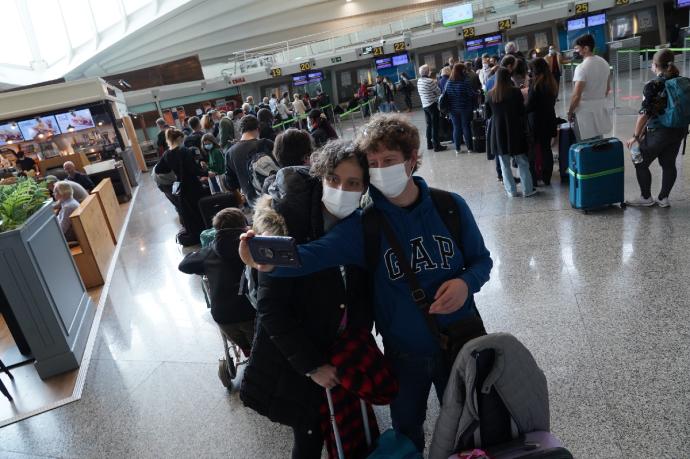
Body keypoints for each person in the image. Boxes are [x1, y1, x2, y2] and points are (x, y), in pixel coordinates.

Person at [241, 114, 493, 453]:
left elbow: (482, 261)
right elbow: (309, 256)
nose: (380, 169)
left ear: (413, 158)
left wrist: (465, 283)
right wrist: (264, 261)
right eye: (372, 164)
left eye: (389, 161)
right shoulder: (365, 225)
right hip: (404, 355)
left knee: (467, 423)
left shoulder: (450, 207)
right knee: (407, 432)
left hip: (459, 343)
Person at [240, 140, 375, 459]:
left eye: (353, 183)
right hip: (297, 356)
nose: (342, 189)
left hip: (341, 349)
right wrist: (312, 366)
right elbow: (271, 308)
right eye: (334, 180)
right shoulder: (286, 222)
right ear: (320, 176)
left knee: (351, 429)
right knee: (310, 430)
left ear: (364, 188)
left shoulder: (360, 221)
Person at [178, 208, 256, 357]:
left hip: (223, 316)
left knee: (248, 346)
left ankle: (247, 351)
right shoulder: (252, 246)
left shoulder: (209, 252)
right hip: (251, 312)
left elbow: (184, 265)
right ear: (244, 225)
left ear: (216, 230)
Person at [626, 49, 689, 208]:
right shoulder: (683, 81)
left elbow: (644, 114)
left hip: (659, 132)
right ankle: (663, 198)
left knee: (639, 161)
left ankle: (646, 197)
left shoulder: (653, 85)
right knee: (669, 164)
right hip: (679, 129)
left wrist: (635, 135)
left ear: (655, 65)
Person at [486, 68, 535, 198]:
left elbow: (487, 114)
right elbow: (521, 111)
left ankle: (511, 191)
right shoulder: (515, 92)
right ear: (509, 78)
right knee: (522, 161)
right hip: (514, 129)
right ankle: (528, 189)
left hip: (498, 131)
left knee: (504, 163)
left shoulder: (490, 94)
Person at [155, 128, 208, 245]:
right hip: (192, 185)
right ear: (179, 138)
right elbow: (193, 170)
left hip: (180, 187)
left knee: (188, 213)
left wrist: (175, 170)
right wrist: (206, 171)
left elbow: (159, 169)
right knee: (199, 210)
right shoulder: (185, 151)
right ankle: (204, 233)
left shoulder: (167, 154)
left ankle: (195, 236)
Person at [224, 115, 275, 209]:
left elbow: (230, 184)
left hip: (254, 203)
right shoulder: (265, 144)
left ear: (240, 130)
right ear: (258, 128)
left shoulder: (229, 153)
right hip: (274, 196)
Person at [567, 34, 612, 140]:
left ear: (586, 48)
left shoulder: (581, 68)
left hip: (584, 113)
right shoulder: (604, 63)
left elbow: (576, 95)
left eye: (577, 48)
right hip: (600, 109)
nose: (576, 51)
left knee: (585, 146)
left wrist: (570, 112)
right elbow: (607, 89)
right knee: (599, 144)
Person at [526, 58, 558, 186]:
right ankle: (547, 177)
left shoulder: (535, 85)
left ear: (535, 70)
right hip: (549, 119)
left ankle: (533, 179)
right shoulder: (551, 82)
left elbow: (529, 105)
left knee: (532, 151)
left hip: (536, 122)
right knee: (546, 149)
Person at [445, 63, 478, 154]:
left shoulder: (449, 82)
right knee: (465, 127)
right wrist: (477, 93)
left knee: (456, 128)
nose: (465, 71)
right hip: (465, 108)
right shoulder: (465, 81)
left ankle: (457, 148)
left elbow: (445, 95)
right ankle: (469, 148)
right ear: (461, 71)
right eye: (464, 70)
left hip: (453, 109)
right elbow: (471, 94)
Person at [417, 64, 447, 152]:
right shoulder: (430, 81)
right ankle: (437, 146)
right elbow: (438, 92)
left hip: (425, 106)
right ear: (427, 72)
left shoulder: (419, 81)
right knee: (435, 126)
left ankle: (429, 144)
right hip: (432, 105)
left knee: (429, 125)